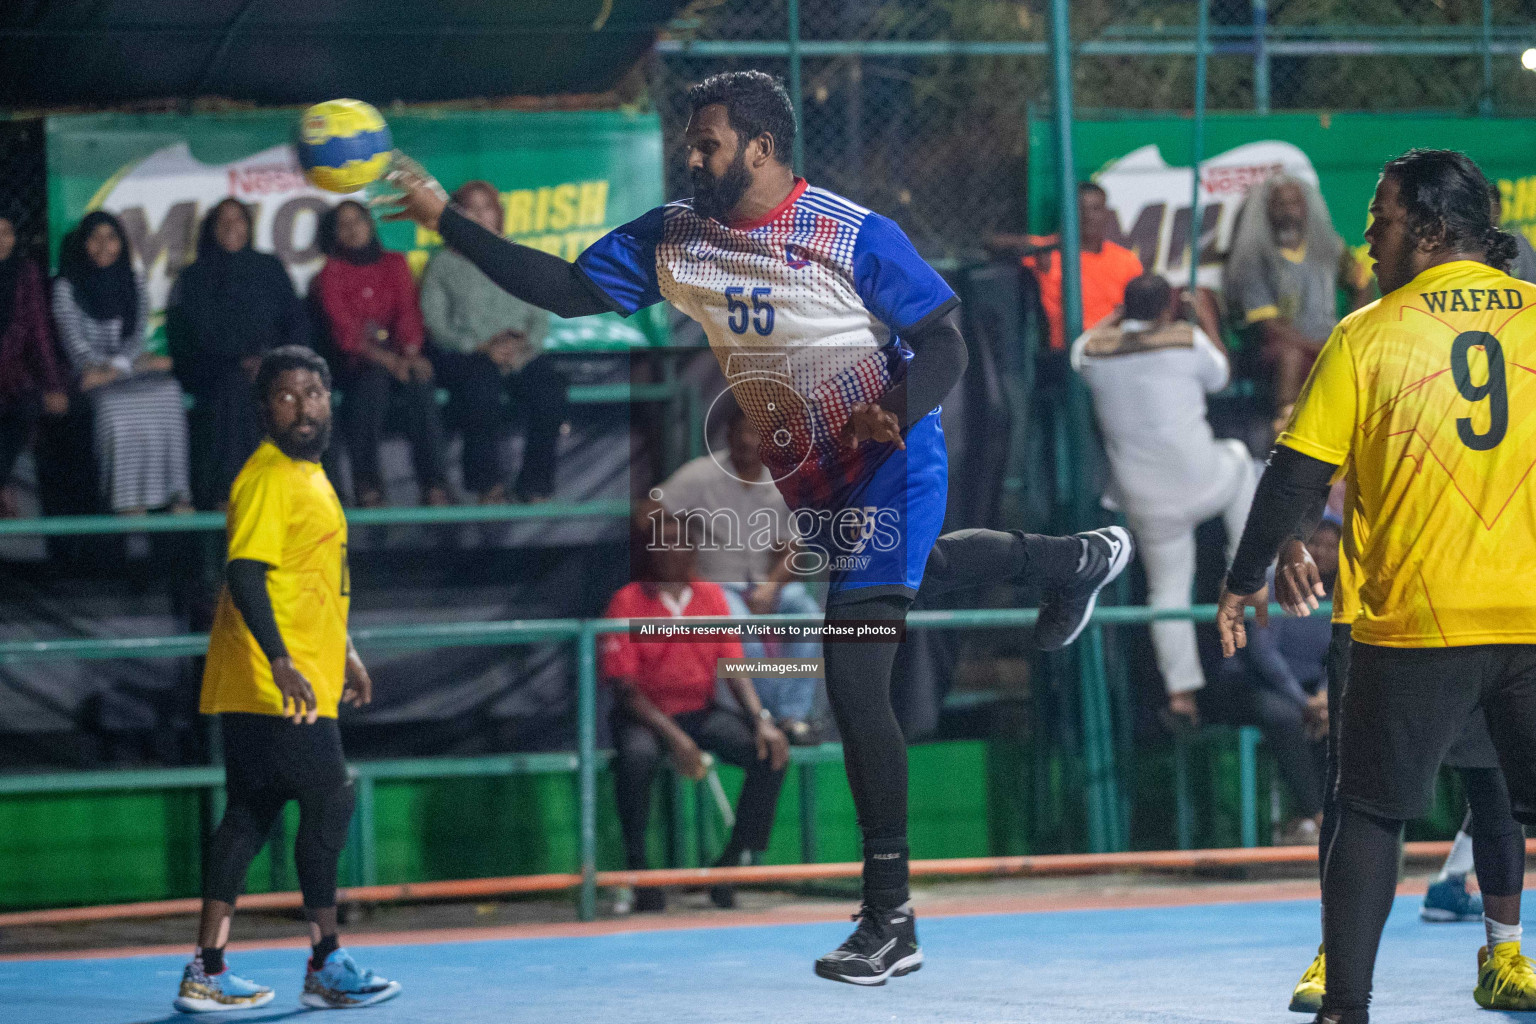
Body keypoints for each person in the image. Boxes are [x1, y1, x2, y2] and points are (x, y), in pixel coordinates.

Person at [382, 69, 1131, 984]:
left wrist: (895, 407)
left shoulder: (851, 232)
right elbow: (569, 289)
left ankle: (889, 917)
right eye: (691, 143)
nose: (691, 156)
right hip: (808, 469)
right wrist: (443, 221)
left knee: (856, 678)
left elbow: (945, 337)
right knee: (916, 570)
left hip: (889, 454)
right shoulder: (675, 236)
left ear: (763, 149)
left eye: (708, 143)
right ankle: (1071, 560)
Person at [1217, 149, 1536, 1022]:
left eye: (1382, 223)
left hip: (1417, 622)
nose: (1367, 242)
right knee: (1500, 801)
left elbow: (1293, 476)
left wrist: (1243, 578)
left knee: (1366, 814)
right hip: (1531, 621)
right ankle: (1500, 958)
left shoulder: (1370, 333)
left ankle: (1345, 1007)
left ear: (1430, 230)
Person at [176, 346, 399, 1013]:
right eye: (285, 395)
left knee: (251, 811)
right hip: (278, 678)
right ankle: (326, 962)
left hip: (290, 672)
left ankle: (206, 969)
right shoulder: (270, 477)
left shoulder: (311, 475)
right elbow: (244, 572)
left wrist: (347, 651)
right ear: (263, 408)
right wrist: (280, 659)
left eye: (313, 392)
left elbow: (311, 579)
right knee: (331, 800)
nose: (302, 406)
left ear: (331, 398)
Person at [1071, 272, 1256, 727]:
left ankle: (1181, 694)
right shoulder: (1187, 339)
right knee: (1239, 457)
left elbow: (1084, 344)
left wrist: (1119, 314)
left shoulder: (1092, 354)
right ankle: (1247, 572)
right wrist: (1206, 318)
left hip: (1145, 500)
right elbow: (1222, 377)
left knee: (1166, 591)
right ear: (1165, 308)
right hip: (1202, 481)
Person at [602, 504, 790, 913]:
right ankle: (639, 873)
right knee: (636, 757)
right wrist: (679, 742)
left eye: (678, 542)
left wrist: (762, 721)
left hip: (698, 711)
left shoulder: (711, 597)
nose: (669, 549)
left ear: (693, 549)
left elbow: (735, 666)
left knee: (770, 753)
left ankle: (730, 865)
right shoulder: (626, 602)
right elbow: (625, 689)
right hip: (645, 717)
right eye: (661, 542)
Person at [652, 402, 822, 741]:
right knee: (743, 632)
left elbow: (793, 548)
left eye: (757, 433)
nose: (748, 440)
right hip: (716, 586)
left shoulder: (783, 480)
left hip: (765, 585)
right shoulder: (702, 474)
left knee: (808, 613)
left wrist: (771, 588)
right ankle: (764, 717)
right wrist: (677, 540)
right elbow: (651, 511)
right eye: (742, 431)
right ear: (728, 435)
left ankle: (793, 716)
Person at [420, 181, 565, 503]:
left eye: (486, 207)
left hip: (519, 353)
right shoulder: (443, 265)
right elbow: (436, 325)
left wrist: (523, 348)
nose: (480, 216)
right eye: (470, 210)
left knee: (550, 390)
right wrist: (480, 347)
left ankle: (534, 485)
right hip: (469, 355)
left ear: (498, 213)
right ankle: (488, 485)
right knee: (479, 390)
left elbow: (540, 318)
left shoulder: (521, 257)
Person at [169, 198, 310, 510]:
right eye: (223, 222)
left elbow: (295, 322)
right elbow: (194, 335)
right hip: (212, 368)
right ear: (211, 230)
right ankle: (232, 490)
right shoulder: (195, 277)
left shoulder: (268, 268)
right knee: (234, 388)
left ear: (249, 226)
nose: (232, 227)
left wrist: (271, 360)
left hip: (271, 365)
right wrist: (239, 360)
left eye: (239, 220)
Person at [311, 199, 448, 507]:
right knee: (371, 384)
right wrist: (389, 360)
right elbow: (344, 332)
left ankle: (435, 483)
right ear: (334, 234)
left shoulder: (394, 263)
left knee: (421, 380)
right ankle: (367, 483)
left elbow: (408, 314)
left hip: (400, 355)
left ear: (370, 225)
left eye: (357, 221)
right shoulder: (331, 273)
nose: (351, 230)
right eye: (342, 225)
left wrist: (410, 353)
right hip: (353, 362)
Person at [53, 211, 191, 515]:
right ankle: (128, 502)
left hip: (121, 369)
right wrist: (125, 366)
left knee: (168, 392)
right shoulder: (66, 287)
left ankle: (176, 495)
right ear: (82, 244)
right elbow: (77, 350)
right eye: (94, 238)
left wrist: (117, 367)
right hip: (87, 374)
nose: (104, 246)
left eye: (111, 237)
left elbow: (136, 337)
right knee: (114, 408)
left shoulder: (134, 280)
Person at [1213, 514, 1336, 846]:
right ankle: (1316, 814)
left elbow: (1341, 651)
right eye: (1314, 544)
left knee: (1339, 717)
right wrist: (1304, 701)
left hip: (1312, 689)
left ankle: (1328, 815)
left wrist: (1325, 696)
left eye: (1330, 545)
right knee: (1284, 715)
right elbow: (1264, 654)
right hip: (1256, 684)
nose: (1322, 552)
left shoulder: (1343, 591)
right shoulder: (1271, 581)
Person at [1223, 173, 1374, 414]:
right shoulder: (1253, 257)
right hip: (1277, 348)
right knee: (1290, 355)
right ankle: (1284, 430)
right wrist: (1321, 349)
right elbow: (1267, 326)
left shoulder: (1329, 245)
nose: (1288, 211)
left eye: (1294, 203)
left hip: (1327, 340)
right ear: (1267, 209)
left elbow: (1362, 283)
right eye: (1280, 204)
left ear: (1306, 207)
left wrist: (1350, 333)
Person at [987, 182, 1145, 352]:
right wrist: (1033, 246)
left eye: (1096, 209)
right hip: (1066, 352)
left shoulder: (1126, 259)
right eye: (1080, 210)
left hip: (1114, 349)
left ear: (1107, 214)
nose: (1088, 216)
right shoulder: (1050, 253)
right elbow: (991, 242)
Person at [0, 213, 67, 517]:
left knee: (30, 404)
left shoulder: (24, 273)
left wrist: (53, 385)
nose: (2, 240)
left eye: (7, 231)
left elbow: (39, 333)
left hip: (12, 378)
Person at [1491, 183, 1536, 284]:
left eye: (1488, 204)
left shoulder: (1517, 241)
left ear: (1499, 207)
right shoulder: (1466, 244)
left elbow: (1533, 280)